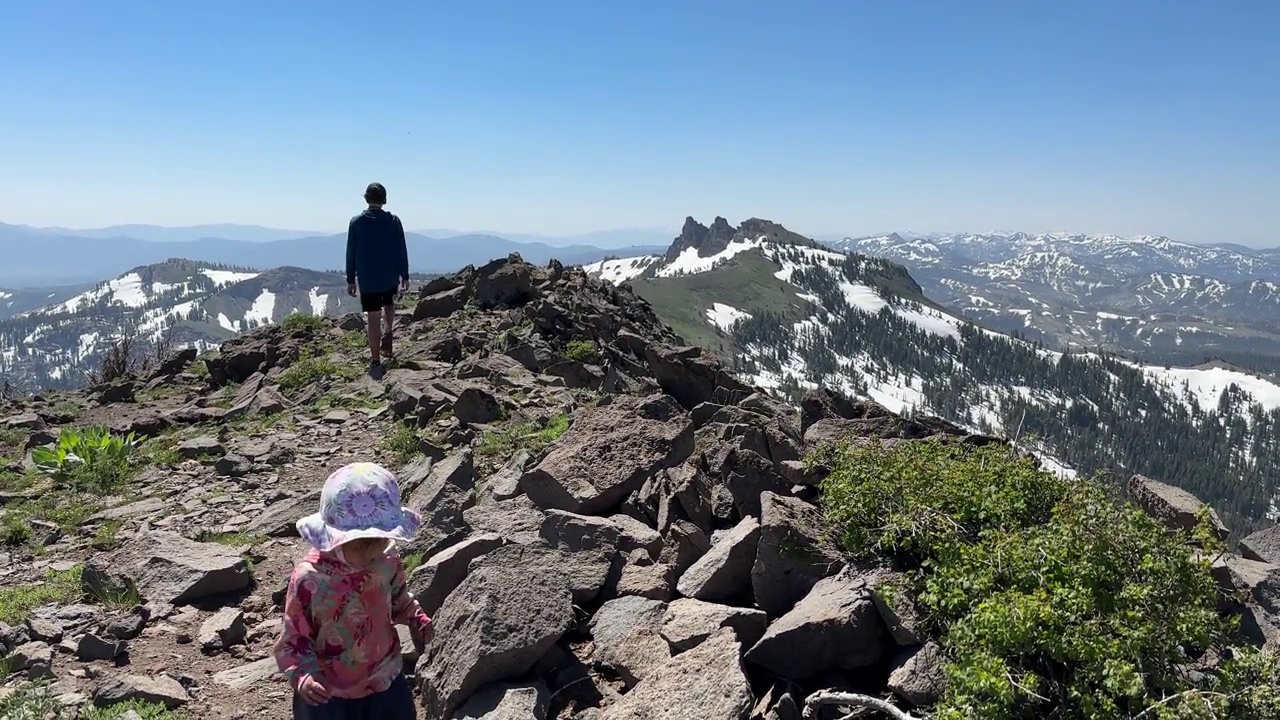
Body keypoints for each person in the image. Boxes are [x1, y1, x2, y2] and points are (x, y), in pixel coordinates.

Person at [274, 462, 433, 720]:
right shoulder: (310, 578)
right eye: (359, 546)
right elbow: (295, 637)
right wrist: (303, 675)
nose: (369, 554)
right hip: (327, 691)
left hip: (384, 677)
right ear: (335, 537)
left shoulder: (385, 558)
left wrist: (416, 617)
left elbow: (398, 597)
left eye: (379, 542)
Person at [346, 182, 410, 378]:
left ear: (366, 198)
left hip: (368, 277)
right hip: (389, 274)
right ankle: (389, 331)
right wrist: (404, 275)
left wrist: (351, 278)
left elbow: (351, 252)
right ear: (384, 199)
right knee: (389, 303)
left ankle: (375, 361)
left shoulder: (356, 222)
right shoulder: (393, 221)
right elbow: (401, 249)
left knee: (373, 318)